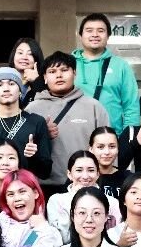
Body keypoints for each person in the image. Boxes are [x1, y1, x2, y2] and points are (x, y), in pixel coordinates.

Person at [25, 51, 110, 195]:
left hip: (84, 184)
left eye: (64, 70)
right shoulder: (31, 109)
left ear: (74, 73)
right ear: (44, 77)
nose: (59, 75)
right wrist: (43, 135)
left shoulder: (94, 107)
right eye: (52, 71)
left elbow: (107, 147)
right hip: (42, 187)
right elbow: (24, 150)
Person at [0, 67, 51, 186]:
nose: (6, 89)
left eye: (12, 84)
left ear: (21, 90)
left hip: (24, 191)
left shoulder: (36, 122)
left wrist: (33, 157)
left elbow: (45, 172)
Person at [73, 14, 139, 134]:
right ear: (80, 35)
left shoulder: (121, 66)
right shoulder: (67, 64)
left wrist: (128, 140)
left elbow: (131, 107)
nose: (95, 35)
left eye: (101, 31)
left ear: (108, 36)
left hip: (110, 139)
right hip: (73, 136)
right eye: (89, 30)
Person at [46, 151, 100, 236]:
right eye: (79, 170)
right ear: (69, 174)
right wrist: (76, 199)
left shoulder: (111, 202)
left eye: (91, 170)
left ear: (97, 174)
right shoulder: (56, 200)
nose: (85, 176)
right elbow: (60, 237)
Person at [88, 126, 130, 213]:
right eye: (100, 147)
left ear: (118, 149)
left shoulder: (128, 178)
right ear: (91, 149)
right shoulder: (82, 177)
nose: (107, 152)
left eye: (112, 146)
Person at [9, 37, 46, 109]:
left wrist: (36, 81)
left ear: (36, 58)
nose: (24, 57)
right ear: (13, 55)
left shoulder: (46, 82)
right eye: (20, 53)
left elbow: (47, 105)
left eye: (30, 54)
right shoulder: (2, 80)